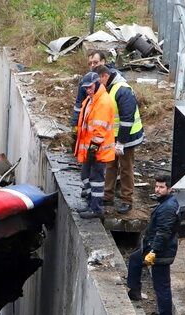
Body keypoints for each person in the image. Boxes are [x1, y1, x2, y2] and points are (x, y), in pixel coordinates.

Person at [127, 173, 179, 315]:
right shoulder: (166, 203)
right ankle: (135, 290)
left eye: (161, 187)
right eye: (156, 186)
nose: (157, 190)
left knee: (161, 285)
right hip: (157, 247)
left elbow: (163, 232)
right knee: (135, 260)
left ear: (170, 188)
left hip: (161, 251)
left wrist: (154, 251)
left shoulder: (168, 208)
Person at [99, 66, 144, 215]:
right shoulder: (109, 88)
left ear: (105, 76)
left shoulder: (122, 90)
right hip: (114, 136)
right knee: (110, 165)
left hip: (127, 136)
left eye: (99, 80)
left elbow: (126, 119)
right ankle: (108, 196)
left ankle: (127, 200)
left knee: (126, 168)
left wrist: (121, 143)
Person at [75, 66, 117, 219]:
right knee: (86, 176)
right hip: (91, 149)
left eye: (90, 87)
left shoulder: (103, 102)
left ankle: (96, 209)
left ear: (97, 84)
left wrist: (93, 149)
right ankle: (91, 203)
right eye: (86, 88)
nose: (88, 90)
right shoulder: (92, 100)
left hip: (98, 151)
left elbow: (100, 130)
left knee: (97, 180)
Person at [70, 50, 122, 129]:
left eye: (95, 62)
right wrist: (75, 124)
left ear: (103, 61)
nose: (92, 65)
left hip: (112, 127)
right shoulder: (85, 81)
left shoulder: (114, 78)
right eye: (90, 63)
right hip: (93, 124)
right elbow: (79, 104)